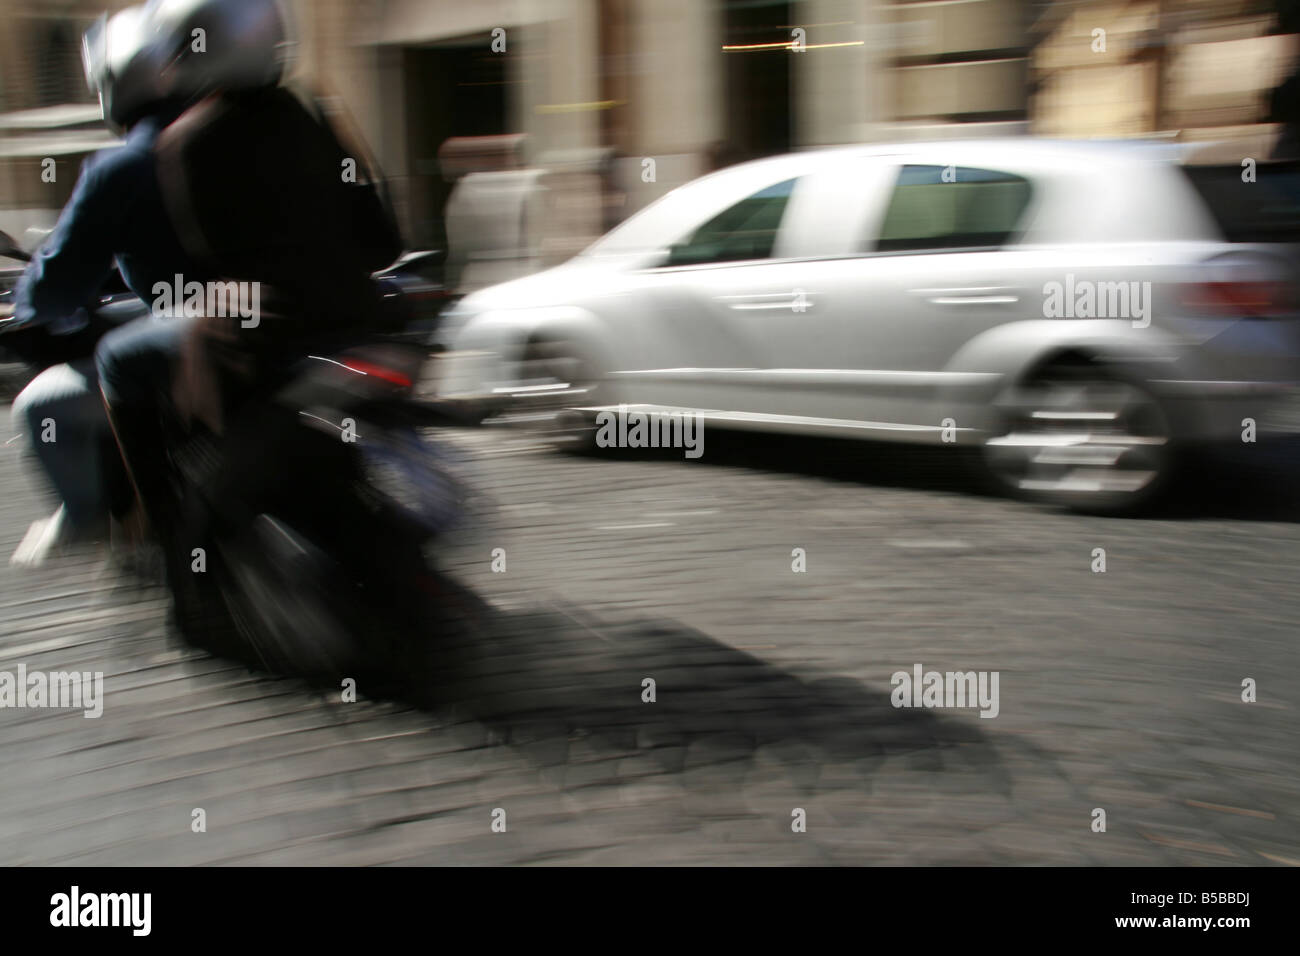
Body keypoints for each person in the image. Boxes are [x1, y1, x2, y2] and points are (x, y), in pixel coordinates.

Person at [6, 3, 208, 564]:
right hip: (282, 322)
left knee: (39, 409)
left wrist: (30, 301)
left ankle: (100, 519)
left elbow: (57, 283)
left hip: (204, 340)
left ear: (111, 86)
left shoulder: (123, 166)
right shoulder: (233, 138)